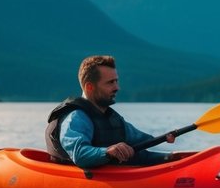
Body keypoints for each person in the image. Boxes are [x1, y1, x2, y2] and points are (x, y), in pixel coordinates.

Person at [45, 55, 175, 169]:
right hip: (79, 181)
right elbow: (79, 154)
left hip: (113, 177)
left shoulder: (112, 118)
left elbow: (139, 139)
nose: (117, 87)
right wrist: (108, 151)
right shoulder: (75, 118)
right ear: (89, 87)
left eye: (116, 81)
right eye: (110, 83)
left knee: (153, 157)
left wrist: (165, 139)